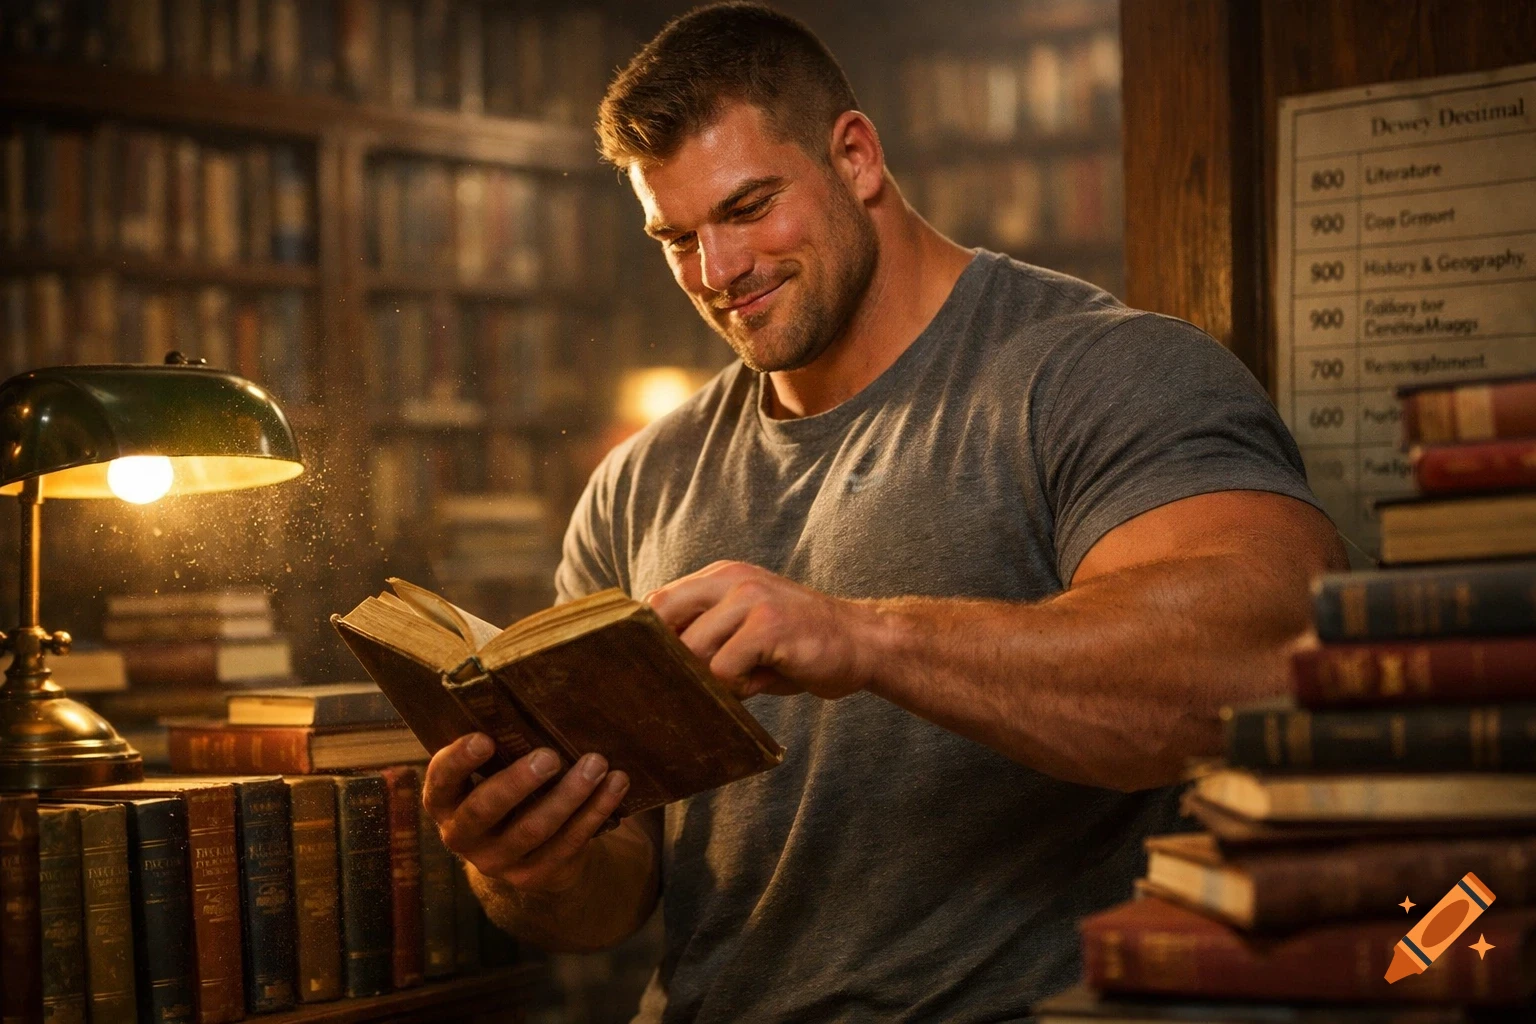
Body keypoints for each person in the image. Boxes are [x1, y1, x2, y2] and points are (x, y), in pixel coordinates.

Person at [423, 4, 1348, 1021]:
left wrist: (865, 636)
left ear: (856, 156)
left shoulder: (1100, 370)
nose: (717, 272)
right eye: (677, 237)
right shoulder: (638, 482)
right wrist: (530, 862)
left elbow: (1276, 657)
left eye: (747, 208)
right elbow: (616, 892)